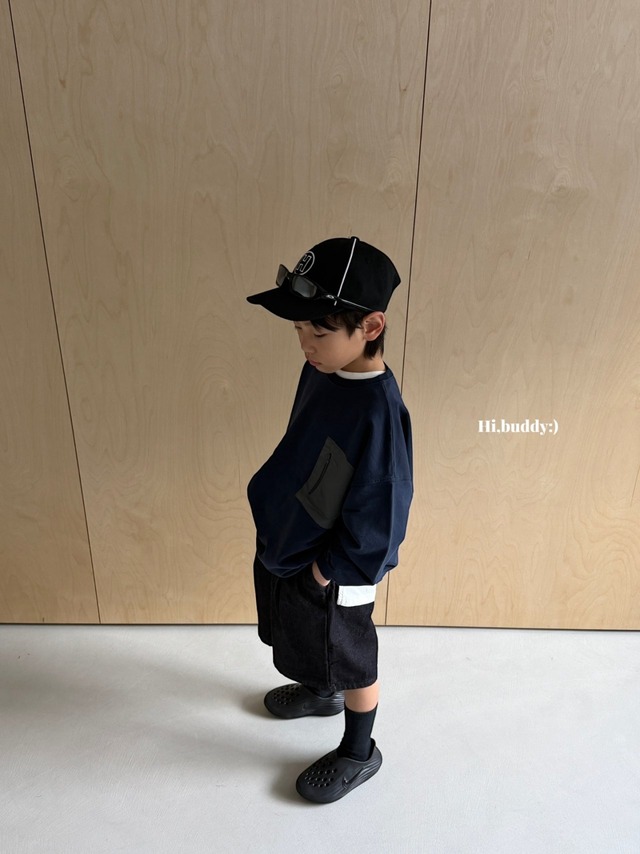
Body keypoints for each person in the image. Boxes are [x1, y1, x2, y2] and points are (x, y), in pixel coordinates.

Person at [246, 235, 414, 803]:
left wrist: (326, 571)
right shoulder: (322, 370)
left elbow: (382, 519)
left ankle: (359, 752)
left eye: (317, 333)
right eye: (298, 329)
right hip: (295, 541)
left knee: (351, 655)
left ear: (370, 326)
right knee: (302, 633)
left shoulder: (379, 414)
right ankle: (322, 691)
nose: (305, 344)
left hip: (339, 566)